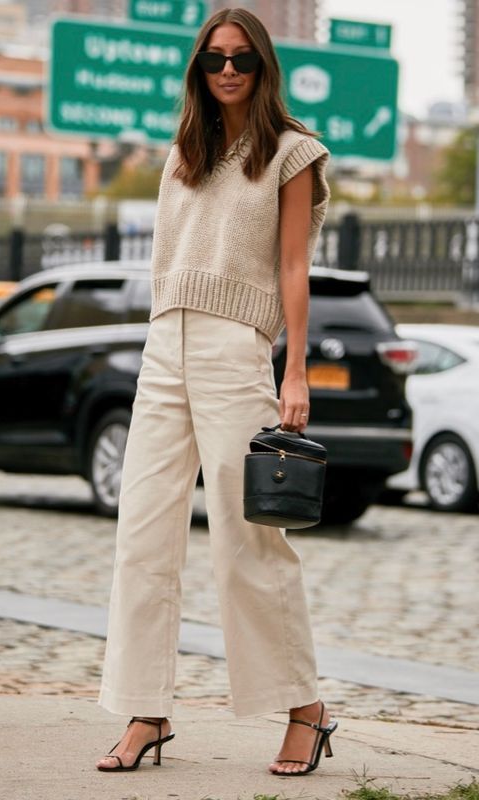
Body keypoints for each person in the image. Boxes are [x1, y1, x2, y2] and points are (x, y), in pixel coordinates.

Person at [96, 6, 337, 777]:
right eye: (212, 59)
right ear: (197, 70)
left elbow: (293, 267)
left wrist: (293, 367)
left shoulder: (292, 154)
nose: (226, 70)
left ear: (262, 66)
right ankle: (146, 709)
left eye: (240, 58)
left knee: (247, 538)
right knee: (142, 531)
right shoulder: (182, 153)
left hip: (237, 350)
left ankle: (304, 708)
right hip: (165, 344)